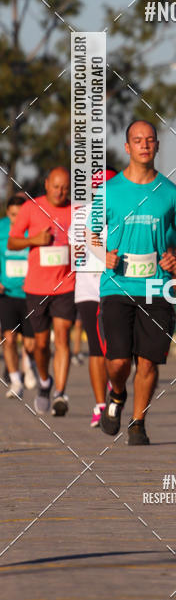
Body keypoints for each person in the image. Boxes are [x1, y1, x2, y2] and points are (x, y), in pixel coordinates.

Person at [89, 120, 176, 445]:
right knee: (119, 362)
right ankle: (117, 394)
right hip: (116, 286)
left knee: (148, 360)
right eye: (137, 140)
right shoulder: (109, 191)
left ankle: (138, 423)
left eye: (150, 140)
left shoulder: (170, 193)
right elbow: (89, 235)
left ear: (157, 146)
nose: (144, 145)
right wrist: (100, 254)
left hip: (157, 287)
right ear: (127, 147)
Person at [9, 167, 75, 416]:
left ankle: (60, 393)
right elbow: (13, 242)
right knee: (40, 344)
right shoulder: (31, 208)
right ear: (47, 184)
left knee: (62, 334)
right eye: (56, 186)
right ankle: (45, 382)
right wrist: (32, 240)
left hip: (66, 284)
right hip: (37, 287)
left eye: (66, 188)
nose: (61, 192)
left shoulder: (76, 210)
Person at [68, 169, 117, 427]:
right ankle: (100, 404)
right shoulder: (80, 215)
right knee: (96, 349)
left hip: (118, 288)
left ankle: (114, 389)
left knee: (117, 349)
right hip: (88, 290)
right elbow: (75, 252)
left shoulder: (124, 211)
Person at [0, 194, 37, 399]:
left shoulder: (33, 227)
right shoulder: (1, 228)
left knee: (31, 343)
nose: (16, 220)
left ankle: (29, 365)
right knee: (9, 338)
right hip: (7, 293)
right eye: (13, 215)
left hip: (31, 293)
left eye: (20, 215)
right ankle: (15, 381)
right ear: (7, 213)